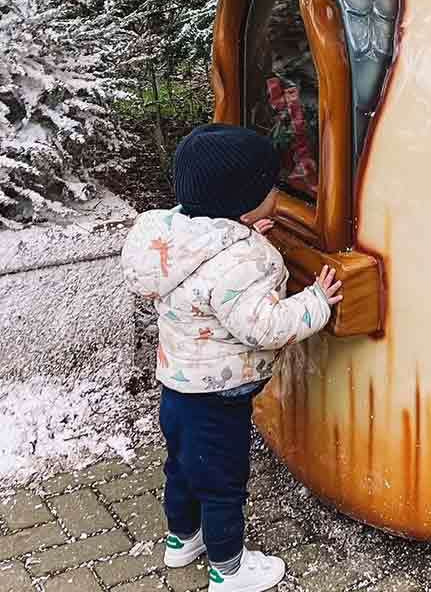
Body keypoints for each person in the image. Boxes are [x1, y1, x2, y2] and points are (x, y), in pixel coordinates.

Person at [121, 124, 343, 592]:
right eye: (271, 189)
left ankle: (183, 541)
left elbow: (213, 267)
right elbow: (267, 327)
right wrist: (317, 302)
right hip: (219, 397)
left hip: (178, 388)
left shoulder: (180, 239)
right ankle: (230, 568)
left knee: (182, 466)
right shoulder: (238, 261)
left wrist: (240, 234)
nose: (277, 195)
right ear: (247, 202)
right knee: (224, 484)